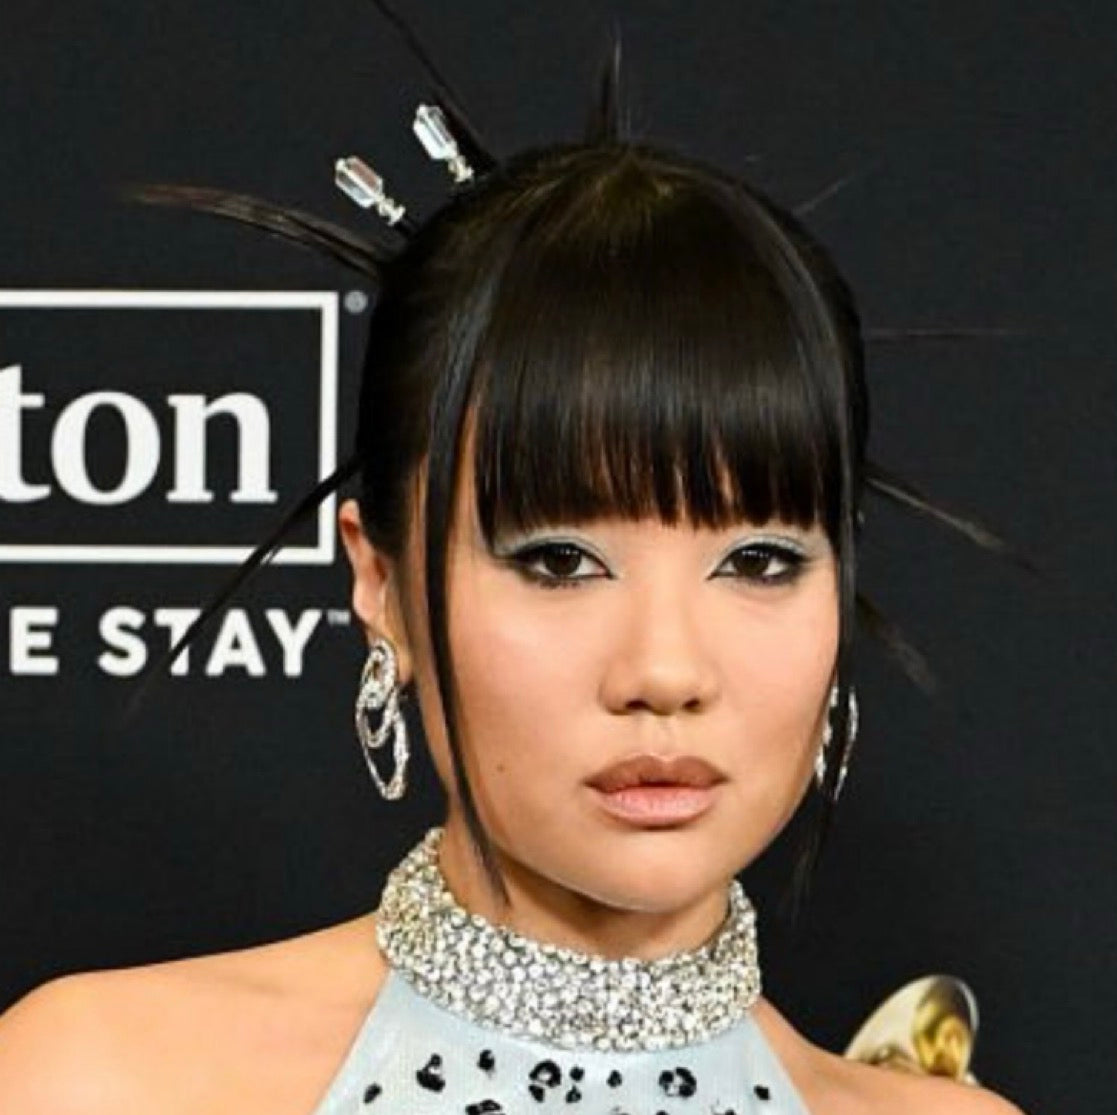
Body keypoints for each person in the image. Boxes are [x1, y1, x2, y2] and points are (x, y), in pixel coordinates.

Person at [0, 26, 1027, 1115]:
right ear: (381, 582)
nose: (665, 670)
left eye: (759, 559)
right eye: (561, 560)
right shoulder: (95, 1078)